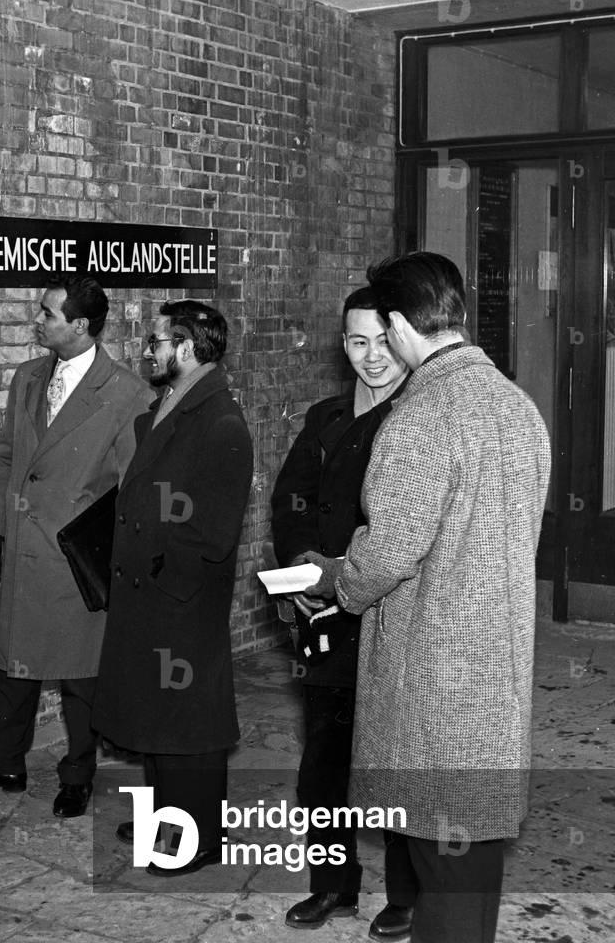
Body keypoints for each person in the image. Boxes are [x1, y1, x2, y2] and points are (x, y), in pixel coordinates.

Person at [303, 252, 551, 943]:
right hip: (494, 667)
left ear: (396, 325)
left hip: (433, 678)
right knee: (471, 865)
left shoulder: (419, 418)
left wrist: (338, 580)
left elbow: (388, 553)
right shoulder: (516, 405)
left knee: (442, 869)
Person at [0, 275, 152, 817]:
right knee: (15, 666)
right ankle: (2, 761)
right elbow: (9, 457)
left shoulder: (128, 392)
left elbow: (133, 484)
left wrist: (115, 558)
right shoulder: (28, 377)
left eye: (47, 315)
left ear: (80, 326)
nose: (37, 321)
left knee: (81, 676)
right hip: (21, 544)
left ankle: (78, 774)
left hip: (75, 558)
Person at [270, 286, 414, 937]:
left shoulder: (420, 419)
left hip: (394, 617)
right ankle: (335, 886)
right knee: (323, 765)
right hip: (326, 622)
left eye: (382, 341)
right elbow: (290, 498)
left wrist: (346, 575)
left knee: (398, 764)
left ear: (403, 337)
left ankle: (408, 895)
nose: (371, 356)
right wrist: (302, 564)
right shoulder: (324, 418)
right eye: (357, 342)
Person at [92, 300, 254, 876]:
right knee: (159, 713)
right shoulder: (170, 406)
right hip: (152, 594)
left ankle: (200, 836)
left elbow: (214, 527)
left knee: (189, 721)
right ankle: (168, 814)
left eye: (157, 342)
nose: (148, 351)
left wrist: (164, 576)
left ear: (186, 349)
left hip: (180, 598)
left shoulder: (220, 421)